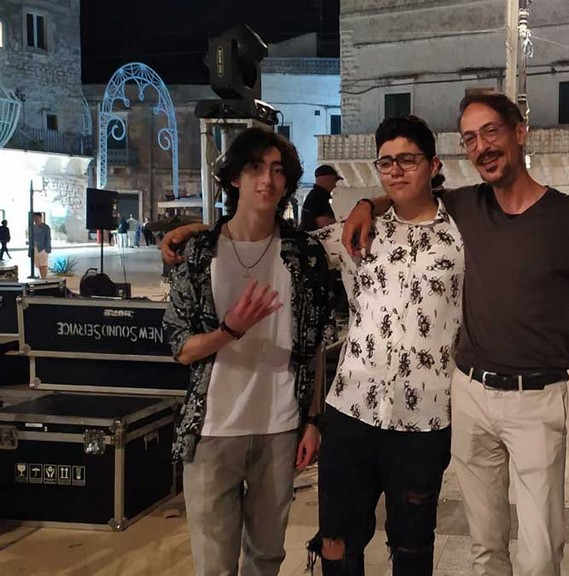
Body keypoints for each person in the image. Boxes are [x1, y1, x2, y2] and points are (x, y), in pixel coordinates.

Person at [341, 90, 569, 576]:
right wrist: (365, 203)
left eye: (491, 131)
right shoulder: (465, 206)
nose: (481, 146)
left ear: (520, 131)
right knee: (485, 549)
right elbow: (411, 194)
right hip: (469, 392)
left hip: (536, 398)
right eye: (470, 138)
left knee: (540, 555)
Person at [162, 128, 332, 576]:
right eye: (255, 168)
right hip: (213, 429)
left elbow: (314, 344)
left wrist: (312, 421)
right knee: (214, 564)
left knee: (267, 557)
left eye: (277, 170)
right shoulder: (199, 253)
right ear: (235, 177)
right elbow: (181, 348)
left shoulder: (305, 254)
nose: (267, 180)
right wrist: (229, 330)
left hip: (279, 426)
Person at [311, 116, 464, 575]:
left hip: (425, 418)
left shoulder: (463, 235)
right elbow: (280, 247)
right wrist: (200, 232)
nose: (395, 170)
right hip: (351, 409)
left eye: (408, 160)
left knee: (413, 544)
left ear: (433, 165)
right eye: (386, 162)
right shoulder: (357, 232)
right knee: (336, 537)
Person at [300, 164, 342, 231]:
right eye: (334, 180)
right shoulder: (318, 197)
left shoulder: (315, 196)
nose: (335, 185)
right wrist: (339, 225)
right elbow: (323, 222)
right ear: (328, 179)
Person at [31, 213, 51, 278]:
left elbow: (48, 238)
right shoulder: (33, 227)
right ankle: (42, 277)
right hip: (35, 248)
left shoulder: (45, 227)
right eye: (34, 218)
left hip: (43, 248)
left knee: (43, 264)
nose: (35, 219)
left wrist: (47, 249)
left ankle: (44, 278)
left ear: (40, 218)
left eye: (37, 218)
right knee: (39, 265)